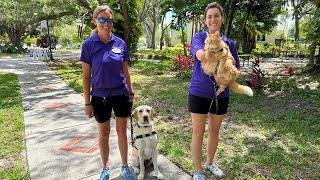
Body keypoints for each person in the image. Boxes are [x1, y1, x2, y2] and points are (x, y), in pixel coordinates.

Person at [80, 5, 134, 180]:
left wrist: (131, 93)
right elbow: (86, 77)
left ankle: (125, 166)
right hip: (99, 97)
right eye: (102, 19)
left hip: (120, 94)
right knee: (103, 133)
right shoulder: (88, 45)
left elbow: (126, 72)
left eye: (109, 20)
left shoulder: (120, 43)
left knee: (121, 131)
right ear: (95, 21)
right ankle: (105, 168)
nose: (106, 23)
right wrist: (87, 102)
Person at [188, 2, 241, 180]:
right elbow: (201, 55)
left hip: (222, 93)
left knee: (214, 131)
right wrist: (220, 55)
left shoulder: (230, 43)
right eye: (209, 16)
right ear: (205, 20)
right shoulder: (199, 37)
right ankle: (198, 170)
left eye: (216, 15)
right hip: (199, 91)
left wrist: (226, 78)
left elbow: (238, 69)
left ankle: (210, 163)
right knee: (198, 132)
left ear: (222, 19)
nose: (213, 19)